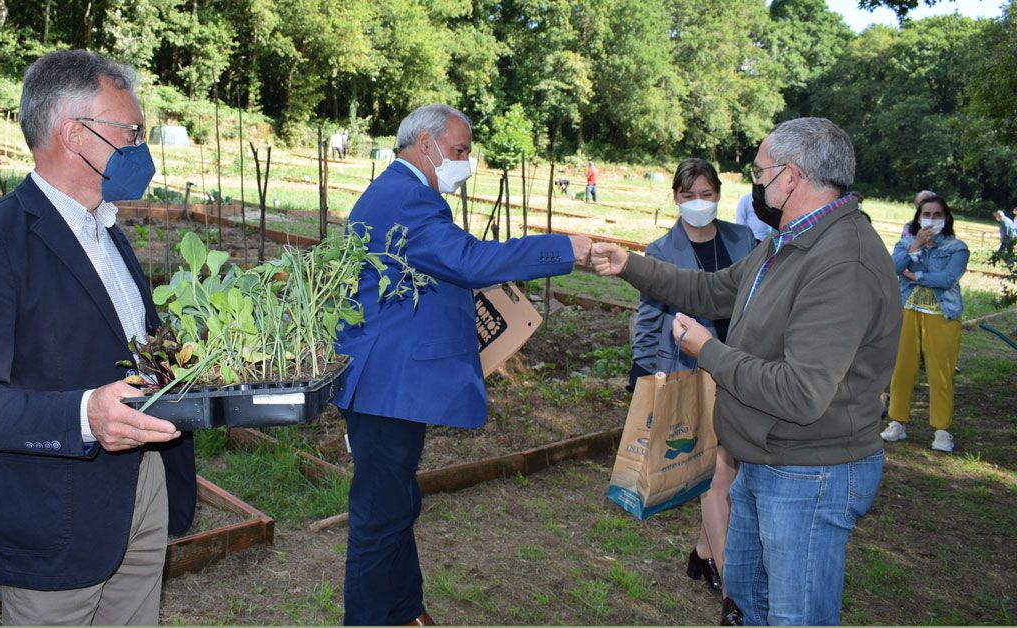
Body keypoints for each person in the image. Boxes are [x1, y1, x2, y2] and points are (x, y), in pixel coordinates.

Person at [591, 117, 900, 626]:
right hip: (766, 458)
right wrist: (628, 263)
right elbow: (712, 289)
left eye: (760, 173)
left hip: (808, 471)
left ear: (791, 177)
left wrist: (707, 350)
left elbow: (800, 393)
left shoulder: (841, 262)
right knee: (749, 605)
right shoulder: (789, 242)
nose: (755, 185)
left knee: (793, 617)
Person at [0, 50, 197, 625]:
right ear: (76, 134)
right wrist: (85, 416)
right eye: (130, 131)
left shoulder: (107, 230)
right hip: (54, 514)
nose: (140, 147)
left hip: (143, 484)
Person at [333, 104, 592, 626]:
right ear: (424, 144)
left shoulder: (401, 192)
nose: (465, 163)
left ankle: (405, 610)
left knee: (397, 504)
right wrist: (563, 248)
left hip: (392, 379)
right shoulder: (408, 200)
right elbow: (470, 262)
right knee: (379, 517)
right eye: (459, 151)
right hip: (388, 383)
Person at [629, 158, 755, 599]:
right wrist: (643, 375)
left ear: (719, 194)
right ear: (676, 199)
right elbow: (649, 318)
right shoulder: (663, 250)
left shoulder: (747, 240)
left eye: (706, 194)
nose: (698, 203)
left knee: (731, 474)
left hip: (741, 370)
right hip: (691, 374)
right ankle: (733, 594)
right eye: (688, 196)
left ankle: (703, 553)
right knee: (717, 476)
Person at [882, 196, 969, 452]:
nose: (931, 219)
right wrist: (916, 246)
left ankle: (942, 430)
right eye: (926, 214)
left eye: (937, 214)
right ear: (918, 217)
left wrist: (915, 275)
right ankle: (897, 423)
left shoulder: (957, 248)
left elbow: (948, 278)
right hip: (907, 311)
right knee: (902, 369)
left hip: (942, 315)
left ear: (947, 218)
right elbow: (893, 267)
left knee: (940, 373)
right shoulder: (907, 242)